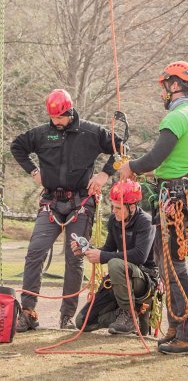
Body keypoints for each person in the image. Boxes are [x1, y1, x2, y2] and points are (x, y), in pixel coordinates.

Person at [10, 89, 122, 331]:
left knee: (74, 259)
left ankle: (66, 316)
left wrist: (104, 175)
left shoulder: (91, 133)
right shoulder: (41, 133)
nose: (55, 122)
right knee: (35, 253)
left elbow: (120, 148)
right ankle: (28, 312)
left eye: (59, 118)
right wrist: (33, 171)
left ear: (70, 112)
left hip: (80, 203)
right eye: (52, 118)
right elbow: (17, 146)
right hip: (51, 202)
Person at [118, 60, 188, 356]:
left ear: (174, 85)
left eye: (165, 86)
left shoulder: (178, 116)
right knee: (168, 265)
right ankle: (177, 326)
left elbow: (155, 158)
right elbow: (172, 162)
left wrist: (131, 167)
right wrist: (148, 171)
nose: (163, 93)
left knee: (174, 267)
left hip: (175, 201)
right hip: (176, 195)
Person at [71, 179, 158, 334]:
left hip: (144, 278)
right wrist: (87, 250)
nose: (114, 211)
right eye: (112, 206)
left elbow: (140, 256)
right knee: (82, 322)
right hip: (120, 275)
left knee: (115, 264)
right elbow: (108, 249)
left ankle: (129, 316)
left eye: (118, 207)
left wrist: (103, 256)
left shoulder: (146, 222)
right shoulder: (114, 220)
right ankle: (124, 316)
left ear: (132, 207)